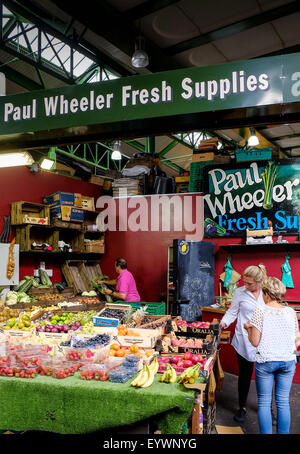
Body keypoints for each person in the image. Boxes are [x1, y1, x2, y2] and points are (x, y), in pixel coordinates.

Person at [244, 277, 300, 434]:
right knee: (283, 402)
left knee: (264, 402)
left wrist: (248, 328)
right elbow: (297, 338)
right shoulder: (290, 311)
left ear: (266, 294)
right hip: (288, 361)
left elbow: (255, 341)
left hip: (266, 361)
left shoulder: (260, 310)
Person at [219, 264, 267, 423]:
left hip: (264, 339)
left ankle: (267, 408)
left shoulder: (267, 292)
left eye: (249, 283)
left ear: (259, 281)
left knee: (265, 376)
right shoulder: (240, 292)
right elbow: (232, 312)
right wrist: (222, 323)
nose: (245, 286)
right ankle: (242, 407)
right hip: (244, 339)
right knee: (245, 375)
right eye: (244, 282)